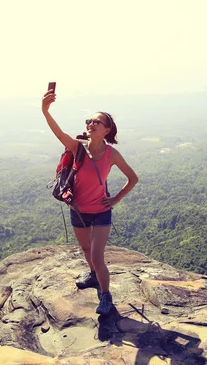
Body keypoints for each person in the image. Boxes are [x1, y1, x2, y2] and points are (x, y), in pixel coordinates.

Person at [42, 88, 138, 315]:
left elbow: (133, 178)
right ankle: (93, 275)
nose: (92, 124)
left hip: (101, 211)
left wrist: (115, 199)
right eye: (90, 121)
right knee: (85, 248)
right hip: (78, 210)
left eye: (98, 122)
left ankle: (106, 296)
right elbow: (59, 133)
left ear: (107, 130)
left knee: (97, 255)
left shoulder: (111, 154)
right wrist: (45, 111)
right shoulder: (78, 148)